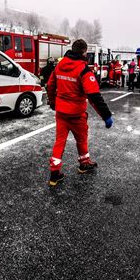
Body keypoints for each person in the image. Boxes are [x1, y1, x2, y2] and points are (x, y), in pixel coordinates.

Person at [46, 39, 113, 187]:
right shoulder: (83, 70)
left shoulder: (60, 65)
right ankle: (84, 164)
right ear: (84, 52)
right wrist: (106, 116)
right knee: (81, 139)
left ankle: (54, 174)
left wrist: (52, 102)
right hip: (76, 114)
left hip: (61, 113)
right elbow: (94, 96)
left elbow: (50, 85)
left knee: (60, 141)